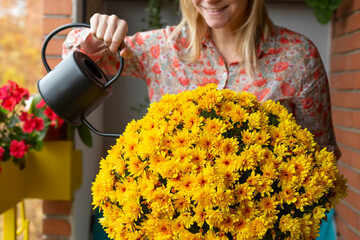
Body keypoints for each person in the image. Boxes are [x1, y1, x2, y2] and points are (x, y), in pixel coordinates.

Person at [62, 0, 340, 239]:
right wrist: (95, 36)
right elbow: (75, 56)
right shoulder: (163, 47)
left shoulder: (298, 57)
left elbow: (321, 158)